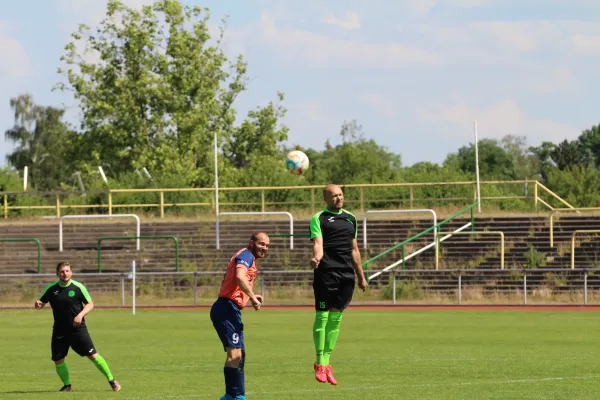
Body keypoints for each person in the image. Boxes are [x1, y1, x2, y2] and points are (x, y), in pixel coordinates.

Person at [310, 184, 368, 385]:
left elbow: (354, 249)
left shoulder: (351, 218)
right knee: (323, 317)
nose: (338, 198)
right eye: (334, 196)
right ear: (326, 199)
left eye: (340, 195)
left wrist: (361, 276)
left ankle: (327, 363)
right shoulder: (319, 218)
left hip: (346, 275)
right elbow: (318, 243)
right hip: (326, 273)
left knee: (336, 321)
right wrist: (317, 258)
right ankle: (320, 362)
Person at [35, 261, 121, 393]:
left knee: (92, 355)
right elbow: (41, 303)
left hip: (77, 329)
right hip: (59, 330)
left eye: (67, 271)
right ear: (57, 273)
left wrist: (80, 315)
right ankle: (67, 385)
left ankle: (112, 380)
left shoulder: (78, 287)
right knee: (58, 359)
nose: (65, 274)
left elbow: (90, 304)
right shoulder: (51, 288)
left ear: (71, 272)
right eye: (62, 271)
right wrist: (38, 304)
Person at [210, 232, 270, 400]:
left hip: (231, 308)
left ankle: (238, 396)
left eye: (267, 245)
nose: (264, 248)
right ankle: (231, 396)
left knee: (239, 355)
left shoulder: (248, 256)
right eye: (261, 244)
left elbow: (239, 282)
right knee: (234, 355)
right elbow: (239, 276)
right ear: (252, 242)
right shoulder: (246, 255)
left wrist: (250, 295)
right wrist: (251, 297)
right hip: (226, 308)